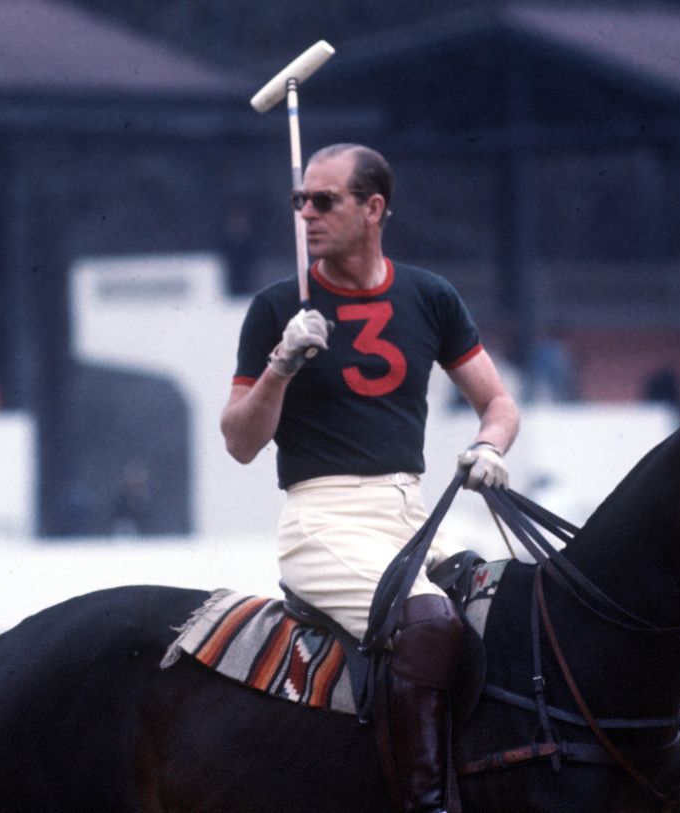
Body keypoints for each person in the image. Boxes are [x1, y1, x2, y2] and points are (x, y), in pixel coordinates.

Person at [220, 143, 519, 813]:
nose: (307, 214)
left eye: (324, 201)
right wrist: (281, 364)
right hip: (321, 521)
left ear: (373, 207)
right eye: (301, 201)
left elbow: (498, 404)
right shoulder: (276, 310)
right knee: (430, 619)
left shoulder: (430, 296)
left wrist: (488, 446)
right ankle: (425, 801)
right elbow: (240, 441)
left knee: (508, 603)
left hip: (411, 515)